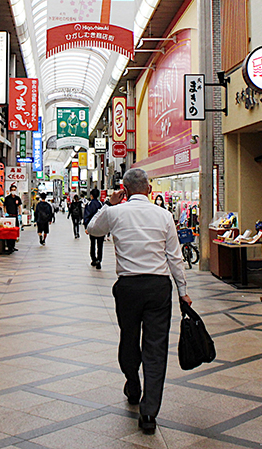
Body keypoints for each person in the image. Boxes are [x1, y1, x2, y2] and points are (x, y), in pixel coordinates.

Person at [85, 168, 191, 435]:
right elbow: (175, 257)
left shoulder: (115, 211)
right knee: (156, 348)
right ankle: (149, 413)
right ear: (150, 190)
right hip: (158, 287)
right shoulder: (164, 215)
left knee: (129, 339)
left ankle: (133, 385)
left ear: (124, 189)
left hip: (128, 287)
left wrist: (110, 202)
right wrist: (182, 291)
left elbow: (91, 229)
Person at [83, 188, 104, 269]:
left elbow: (86, 217)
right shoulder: (101, 204)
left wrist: (86, 227)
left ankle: (93, 259)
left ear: (91, 196)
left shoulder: (88, 205)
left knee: (92, 244)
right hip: (100, 228)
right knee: (100, 245)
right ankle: (99, 260)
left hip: (92, 228)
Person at [4, 185, 22, 252]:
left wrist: (20, 214)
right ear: (10, 190)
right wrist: (5, 213)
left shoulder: (17, 198)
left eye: (15, 190)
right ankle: (9, 246)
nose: (13, 191)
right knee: (9, 232)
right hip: (9, 216)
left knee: (15, 232)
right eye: (12, 189)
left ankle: (13, 245)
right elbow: (4, 206)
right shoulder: (7, 198)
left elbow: (19, 206)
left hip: (15, 216)